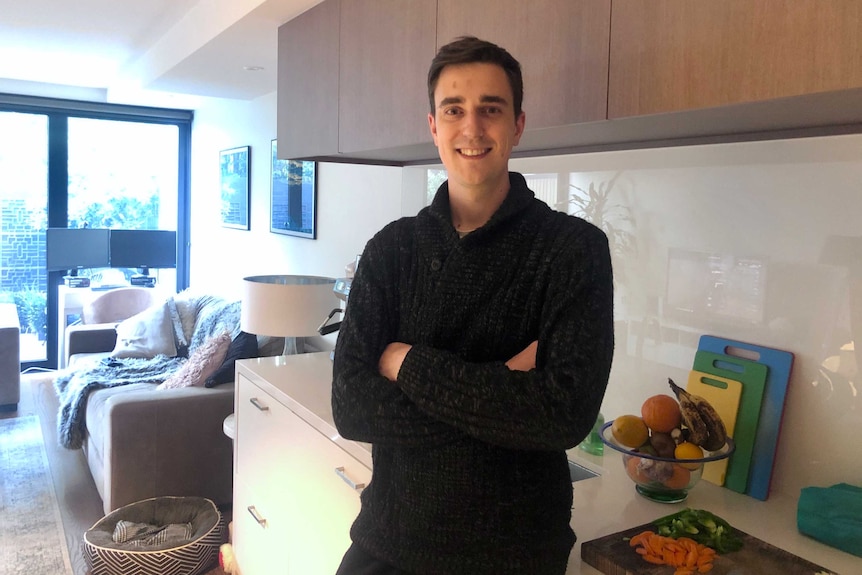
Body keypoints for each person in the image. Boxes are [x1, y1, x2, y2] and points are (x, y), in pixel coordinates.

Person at [332, 36, 615, 575]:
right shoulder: (391, 250)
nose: (472, 127)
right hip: (389, 544)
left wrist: (405, 364)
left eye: (491, 109)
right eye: (454, 110)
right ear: (434, 126)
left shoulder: (572, 250)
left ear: (518, 124)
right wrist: (502, 383)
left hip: (515, 555)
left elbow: (562, 416)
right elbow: (352, 407)